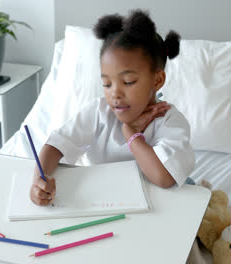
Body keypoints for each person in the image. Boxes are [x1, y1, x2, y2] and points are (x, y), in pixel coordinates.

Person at [30, 9, 195, 206]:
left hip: (159, 208)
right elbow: (56, 144)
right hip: (108, 205)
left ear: (157, 80)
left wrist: (130, 133)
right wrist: (39, 180)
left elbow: (164, 177)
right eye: (107, 84)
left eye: (128, 81)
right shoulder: (100, 112)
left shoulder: (170, 121)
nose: (115, 93)